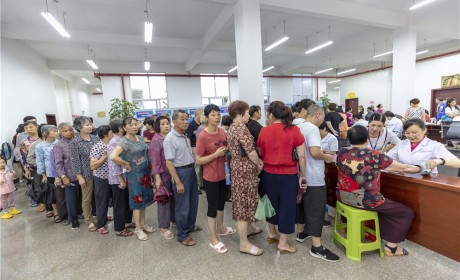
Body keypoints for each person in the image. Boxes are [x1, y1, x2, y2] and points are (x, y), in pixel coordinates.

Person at [336, 125, 426, 256]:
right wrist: (420, 167)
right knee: (405, 212)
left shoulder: (342, 152)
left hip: (343, 197)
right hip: (366, 201)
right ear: (367, 138)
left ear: (349, 138)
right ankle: (392, 248)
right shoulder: (374, 155)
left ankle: (348, 229)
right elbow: (402, 168)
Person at [257, 101, 307, 254]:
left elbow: (260, 151)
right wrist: (303, 175)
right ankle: (283, 243)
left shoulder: (264, 131)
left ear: (271, 114)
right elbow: (302, 156)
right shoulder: (294, 130)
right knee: (287, 206)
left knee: (270, 204)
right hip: (288, 175)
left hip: (268, 174)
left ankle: (272, 233)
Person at [295, 104, 340, 262]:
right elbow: (314, 152)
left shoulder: (296, 124)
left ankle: (301, 233)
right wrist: (327, 157)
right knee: (315, 210)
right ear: (319, 115)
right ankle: (317, 247)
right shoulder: (313, 129)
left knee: (301, 205)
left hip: (297, 175)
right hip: (312, 176)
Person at [196, 104, 236, 254]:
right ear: (206, 118)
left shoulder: (222, 132)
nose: (217, 117)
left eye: (218, 114)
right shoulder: (203, 136)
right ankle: (213, 239)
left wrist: (227, 151)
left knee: (221, 205)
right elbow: (198, 160)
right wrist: (215, 155)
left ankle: (221, 228)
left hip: (223, 175)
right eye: (213, 115)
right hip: (211, 177)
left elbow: (226, 148)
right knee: (212, 208)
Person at [227, 100, 264, 256]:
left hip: (239, 169)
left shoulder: (232, 127)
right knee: (243, 203)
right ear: (239, 113)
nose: (249, 115)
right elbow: (250, 151)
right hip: (244, 170)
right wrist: (260, 163)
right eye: (247, 112)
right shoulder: (240, 128)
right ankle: (243, 243)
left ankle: (249, 229)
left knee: (248, 200)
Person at [110, 117, 155, 241]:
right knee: (137, 202)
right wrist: (125, 163)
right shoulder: (123, 141)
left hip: (145, 173)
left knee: (144, 200)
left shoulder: (139, 138)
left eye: (136, 124)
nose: (134, 127)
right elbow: (113, 156)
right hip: (134, 175)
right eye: (131, 125)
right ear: (124, 128)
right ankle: (138, 229)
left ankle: (143, 223)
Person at [164, 110, 202, 246]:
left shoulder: (185, 136)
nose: (186, 122)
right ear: (174, 122)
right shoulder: (170, 138)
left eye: (187, 119)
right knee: (182, 205)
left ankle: (190, 226)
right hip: (180, 173)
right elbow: (169, 162)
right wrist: (178, 181)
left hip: (190, 170)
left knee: (193, 201)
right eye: (182, 119)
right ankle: (182, 234)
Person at [387, 118, 460, 173]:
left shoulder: (434, 145)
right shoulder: (401, 144)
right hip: (404, 178)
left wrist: (440, 161)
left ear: (424, 130)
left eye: (414, 132)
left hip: (426, 179)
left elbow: (457, 163)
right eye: (407, 133)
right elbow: (387, 158)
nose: (410, 136)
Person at [70, 116, 99, 232]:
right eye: (87, 125)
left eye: (90, 124)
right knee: (86, 199)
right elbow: (75, 161)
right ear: (79, 127)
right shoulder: (75, 142)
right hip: (86, 174)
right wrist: (79, 177)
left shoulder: (95, 138)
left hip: (99, 172)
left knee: (100, 196)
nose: (90, 126)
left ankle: (101, 215)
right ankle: (89, 221)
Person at [150, 116, 176, 240]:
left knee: (175, 200)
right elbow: (155, 160)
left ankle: (174, 220)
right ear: (158, 126)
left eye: (167, 123)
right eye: (163, 124)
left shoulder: (170, 137)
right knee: (164, 201)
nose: (166, 126)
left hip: (173, 173)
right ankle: (163, 227)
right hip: (163, 175)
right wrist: (157, 177)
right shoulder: (156, 140)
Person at [108, 119, 134, 237]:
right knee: (119, 204)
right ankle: (119, 228)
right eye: (128, 125)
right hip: (118, 178)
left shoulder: (121, 140)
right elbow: (113, 163)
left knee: (127, 202)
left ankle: (127, 222)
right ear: (121, 128)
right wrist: (120, 179)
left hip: (125, 176)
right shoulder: (114, 142)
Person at [54, 122, 82, 230]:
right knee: (71, 198)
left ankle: (80, 214)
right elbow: (58, 163)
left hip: (82, 173)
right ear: (60, 132)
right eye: (65, 131)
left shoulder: (77, 141)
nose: (69, 132)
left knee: (81, 197)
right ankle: (73, 219)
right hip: (70, 175)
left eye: (70, 130)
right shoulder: (59, 145)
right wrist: (63, 176)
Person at [90, 125, 114, 235]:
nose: (113, 134)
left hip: (114, 177)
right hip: (101, 178)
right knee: (102, 201)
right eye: (111, 133)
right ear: (105, 134)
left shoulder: (114, 144)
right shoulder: (97, 147)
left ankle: (106, 217)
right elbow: (93, 166)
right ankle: (100, 225)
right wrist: (104, 156)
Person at [36, 125, 61, 222]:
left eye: (56, 131)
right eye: (53, 131)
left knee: (62, 193)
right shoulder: (40, 146)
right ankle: (56, 213)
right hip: (50, 173)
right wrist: (43, 175)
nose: (56, 133)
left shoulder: (59, 143)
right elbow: (39, 161)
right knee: (53, 194)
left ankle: (65, 211)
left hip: (62, 171)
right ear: (46, 134)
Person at [19, 120, 41, 208]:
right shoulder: (24, 142)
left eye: (31, 127)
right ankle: (41, 202)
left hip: (47, 166)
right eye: (26, 128)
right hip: (33, 167)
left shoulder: (43, 138)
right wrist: (26, 169)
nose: (29, 129)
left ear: (37, 127)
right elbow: (24, 157)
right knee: (37, 185)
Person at [185, 109, 204, 194]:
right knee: (197, 167)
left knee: (202, 167)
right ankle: (196, 186)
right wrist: (189, 149)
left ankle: (201, 184)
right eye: (202, 114)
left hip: (202, 147)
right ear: (197, 115)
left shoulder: (202, 125)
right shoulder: (191, 125)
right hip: (194, 147)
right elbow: (188, 138)